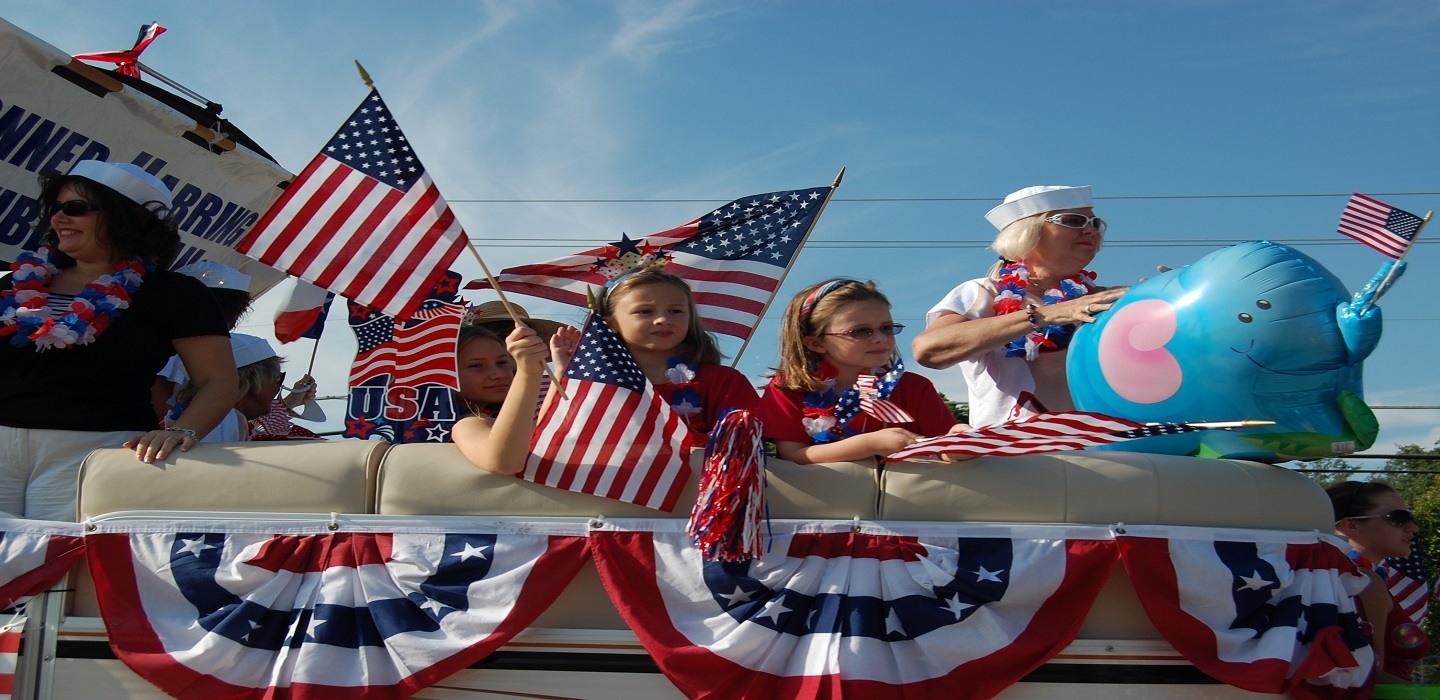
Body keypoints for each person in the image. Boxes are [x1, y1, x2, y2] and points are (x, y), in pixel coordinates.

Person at [0, 160, 236, 520]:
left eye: (75, 208)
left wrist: (181, 430)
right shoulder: (12, 286)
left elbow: (218, 380)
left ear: (123, 217)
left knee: (61, 567)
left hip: (96, 450)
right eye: (56, 209)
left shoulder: (173, 293)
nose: (59, 218)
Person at [913, 185, 1127, 427]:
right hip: (1013, 457)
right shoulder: (984, 292)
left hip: (1104, 452)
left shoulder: (1106, 299)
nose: (1090, 230)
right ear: (1027, 232)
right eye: (1073, 220)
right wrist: (1045, 315)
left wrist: (1168, 295)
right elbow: (929, 350)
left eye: (1095, 223)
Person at [756, 278, 959, 465]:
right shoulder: (788, 387)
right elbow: (793, 455)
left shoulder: (913, 387)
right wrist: (870, 444)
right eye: (860, 331)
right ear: (816, 343)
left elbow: (944, 449)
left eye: (887, 328)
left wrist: (961, 442)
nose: (880, 338)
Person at [595, 266, 759, 440]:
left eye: (675, 311)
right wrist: (563, 374)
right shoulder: (593, 383)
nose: (663, 320)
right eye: (645, 311)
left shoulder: (724, 381)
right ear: (611, 324)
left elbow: (746, 446)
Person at [1327, 480, 1430, 683]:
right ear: (1351, 525)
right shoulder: (1363, 581)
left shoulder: (1327, 573)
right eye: (1399, 518)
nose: (1414, 528)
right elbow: (1369, 679)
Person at [451, 323, 572, 474]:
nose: (499, 374)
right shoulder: (465, 423)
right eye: (476, 366)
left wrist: (563, 373)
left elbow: (541, 430)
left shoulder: (497, 413)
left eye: (502, 362)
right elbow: (503, 462)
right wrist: (528, 373)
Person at [173, 334, 283, 441]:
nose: (278, 388)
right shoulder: (224, 422)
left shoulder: (187, 419)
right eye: (278, 378)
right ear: (253, 376)